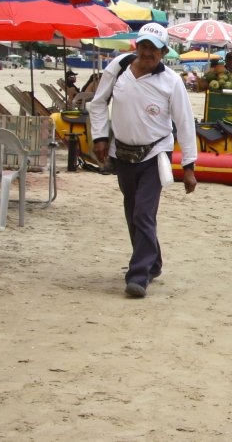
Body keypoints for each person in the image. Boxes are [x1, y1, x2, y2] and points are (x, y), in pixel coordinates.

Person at [88, 23, 197, 299]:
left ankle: (138, 275)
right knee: (132, 210)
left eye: (154, 49)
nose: (148, 53)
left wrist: (189, 166)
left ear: (163, 53)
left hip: (155, 154)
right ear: (137, 46)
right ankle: (153, 261)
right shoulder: (118, 68)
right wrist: (100, 136)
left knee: (143, 213)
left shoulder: (171, 81)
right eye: (144, 46)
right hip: (122, 153)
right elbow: (98, 103)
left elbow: (184, 123)